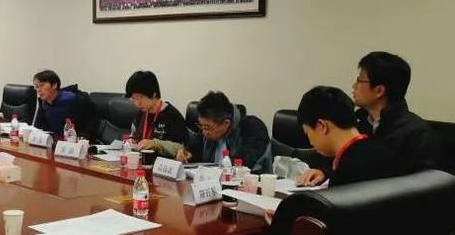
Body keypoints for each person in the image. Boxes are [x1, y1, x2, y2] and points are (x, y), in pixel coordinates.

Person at [297, 51, 440, 186]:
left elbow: (423, 187)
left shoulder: (417, 134)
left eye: (360, 80)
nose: (354, 86)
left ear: (379, 90)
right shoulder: (358, 121)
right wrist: (325, 172)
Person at [296, 86, 404, 187]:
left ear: (321, 126)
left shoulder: (346, 170)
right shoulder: (383, 150)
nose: (310, 142)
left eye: (307, 132)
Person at [176, 91, 271, 173]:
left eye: (207, 128)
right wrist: (185, 155)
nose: (204, 132)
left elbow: (246, 165)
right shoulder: (207, 131)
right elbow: (193, 152)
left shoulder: (252, 128)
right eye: (202, 126)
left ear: (226, 123)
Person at [124, 71, 188, 156]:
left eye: (141, 98)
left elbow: (182, 149)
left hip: (162, 162)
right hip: (142, 159)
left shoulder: (172, 116)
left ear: (153, 94)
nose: (137, 103)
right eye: (134, 98)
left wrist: (155, 144)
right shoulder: (141, 113)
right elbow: (133, 136)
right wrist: (131, 141)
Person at [32, 69, 91, 137]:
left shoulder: (72, 99)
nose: (38, 90)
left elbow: (87, 127)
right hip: (53, 141)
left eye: (42, 85)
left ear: (54, 85)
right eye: (36, 87)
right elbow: (38, 128)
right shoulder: (43, 103)